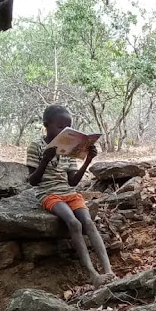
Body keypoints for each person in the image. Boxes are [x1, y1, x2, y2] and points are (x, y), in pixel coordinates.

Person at [26, 104, 114, 287]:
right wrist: (45, 160)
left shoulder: (68, 148)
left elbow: (72, 182)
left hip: (69, 192)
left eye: (68, 128)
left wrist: (88, 160)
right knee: (73, 223)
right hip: (48, 193)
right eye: (60, 127)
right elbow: (33, 181)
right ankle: (92, 274)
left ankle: (108, 270)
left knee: (88, 222)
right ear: (46, 124)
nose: (64, 131)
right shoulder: (35, 146)